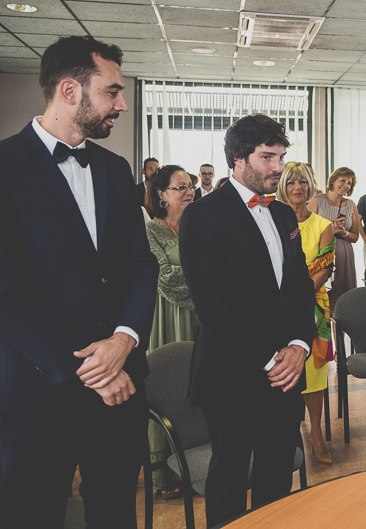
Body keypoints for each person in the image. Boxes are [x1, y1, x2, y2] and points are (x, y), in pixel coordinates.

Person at [0, 35, 158, 529]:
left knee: (115, 513)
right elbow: (7, 291)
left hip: (123, 386)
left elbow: (140, 265)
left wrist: (124, 339)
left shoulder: (114, 169)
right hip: (40, 390)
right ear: (69, 90)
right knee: (33, 515)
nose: (123, 104)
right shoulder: (4, 167)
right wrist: (96, 368)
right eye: (112, 92)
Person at [178, 114, 315, 526]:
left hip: (285, 372)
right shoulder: (203, 215)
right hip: (232, 371)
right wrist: (272, 358)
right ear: (238, 159)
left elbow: (300, 287)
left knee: (277, 474)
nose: (278, 167)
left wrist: (299, 346)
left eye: (282, 157)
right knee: (230, 476)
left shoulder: (284, 215)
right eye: (267, 157)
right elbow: (214, 306)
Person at [145, 165, 200, 498]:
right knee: (169, 386)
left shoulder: (199, 225)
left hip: (202, 320)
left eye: (190, 185)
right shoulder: (151, 231)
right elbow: (164, 277)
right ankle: (163, 471)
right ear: (162, 194)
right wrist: (205, 285)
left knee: (200, 383)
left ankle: (198, 460)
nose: (188, 190)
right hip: (168, 316)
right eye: (180, 186)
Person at [279, 161, 335, 465]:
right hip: (276, 307)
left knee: (314, 373)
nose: (297, 188)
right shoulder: (273, 221)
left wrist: (294, 296)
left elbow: (324, 269)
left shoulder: (323, 226)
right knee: (283, 370)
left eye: (302, 182)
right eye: (291, 182)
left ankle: (316, 432)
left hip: (312, 306)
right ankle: (287, 433)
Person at [311, 167, 360, 311]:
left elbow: (355, 236)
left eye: (349, 183)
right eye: (343, 180)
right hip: (322, 251)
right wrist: (329, 229)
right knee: (324, 297)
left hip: (344, 255)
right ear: (333, 181)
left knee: (343, 302)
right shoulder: (317, 200)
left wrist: (344, 232)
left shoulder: (351, 205)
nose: (346, 185)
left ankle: (340, 332)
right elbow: (308, 231)